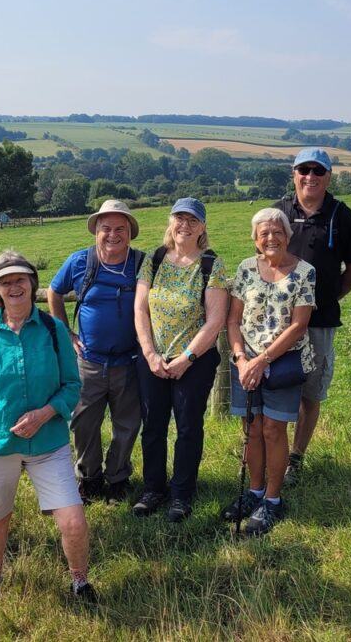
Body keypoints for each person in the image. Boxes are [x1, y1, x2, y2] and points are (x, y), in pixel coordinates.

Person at [0, 250, 95, 617]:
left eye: (20, 279)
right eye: (5, 281)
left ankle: (80, 582)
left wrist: (45, 413)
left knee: (73, 521)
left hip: (48, 443)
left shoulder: (52, 329)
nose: (14, 286)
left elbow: (71, 385)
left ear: (32, 284)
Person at [132, 197, 230, 522]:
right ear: (170, 222)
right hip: (154, 359)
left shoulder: (211, 265)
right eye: (179, 219)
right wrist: (149, 353)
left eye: (192, 220)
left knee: (188, 427)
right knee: (153, 426)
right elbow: (140, 309)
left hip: (195, 361)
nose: (184, 226)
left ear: (202, 227)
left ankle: (181, 494)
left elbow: (215, 321)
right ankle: (153, 489)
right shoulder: (154, 259)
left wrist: (186, 358)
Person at [223, 208, 316, 535]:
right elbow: (233, 320)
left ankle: (274, 500)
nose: (271, 238)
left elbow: (299, 326)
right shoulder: (245, 269)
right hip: (244, 363)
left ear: (288, 236)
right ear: (255, 239)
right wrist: (241, 359)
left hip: (282, 363)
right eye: (264, 233)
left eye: (278, 232)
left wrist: (261, 360)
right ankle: (255, 491)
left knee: (274, 430)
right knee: (252, 427)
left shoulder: (305, 272)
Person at [275, 148, 351, 485]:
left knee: (310, 393)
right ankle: (275, 451)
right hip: (278, 321)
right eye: (304, 170)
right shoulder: (279, 211)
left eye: (318, 171)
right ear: (294, 173)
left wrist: (328, 298)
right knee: (279, 387)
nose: (310, 177)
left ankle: (295, 457)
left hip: (319, 321)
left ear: (329, 176)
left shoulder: (342, 215)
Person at [48, 200, 144, 504]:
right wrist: (67, 332)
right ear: (96, 231)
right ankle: (89, 479)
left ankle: (117, 478)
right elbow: (54, 291)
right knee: (84, 423)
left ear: (129, 232)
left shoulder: (143, 263)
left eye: (120, 229)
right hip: (88, 361)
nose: (112, 235)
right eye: (106, 228)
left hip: (129, 360)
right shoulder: (79, 262)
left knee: (127, 424)